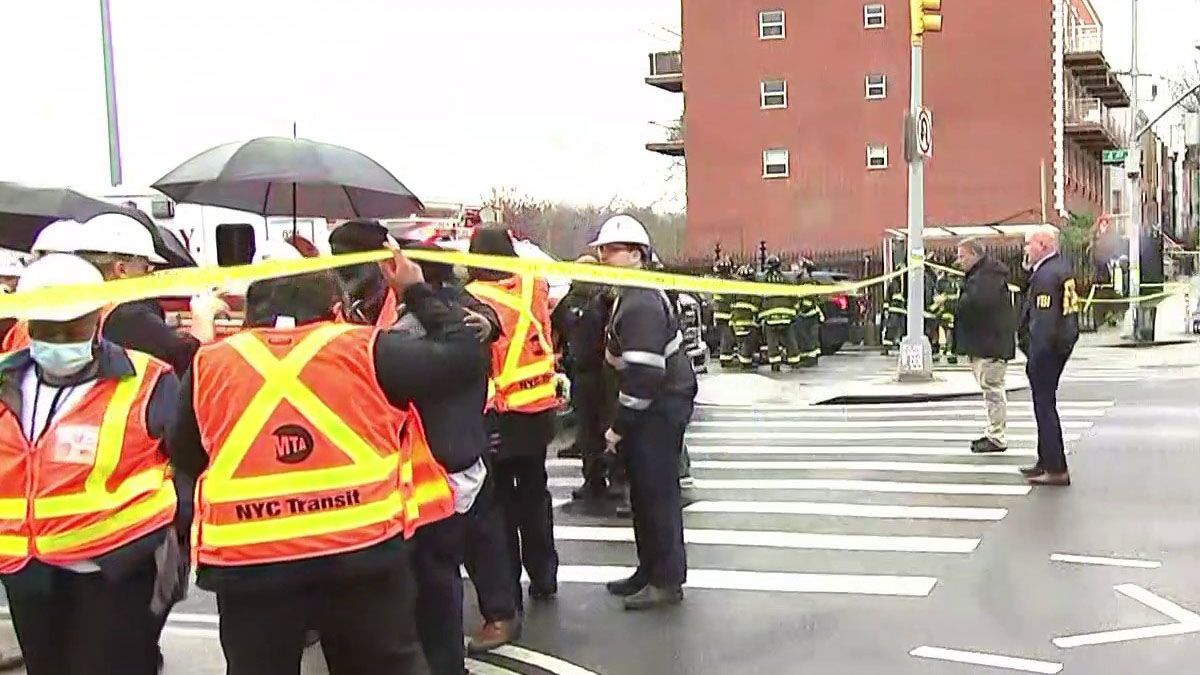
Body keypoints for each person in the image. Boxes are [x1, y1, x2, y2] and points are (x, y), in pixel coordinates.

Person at [168, 248, 481, 675]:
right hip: (361, 558)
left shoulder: (210, 364)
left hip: (251, 567)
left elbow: (183, 451)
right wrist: (415, 290)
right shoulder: (367, 350)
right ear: (336, 309)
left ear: (249, 312)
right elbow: (463, 356)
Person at [328, 219, 515, 671]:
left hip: (442, 458)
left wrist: (429, 300)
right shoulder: (355, 307)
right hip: (388, 466)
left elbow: (475, 331)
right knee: (411, 578)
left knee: (442, 570)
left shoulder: (427, 297)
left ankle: (473, 637)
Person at [0, 254, 181, 675]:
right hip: (29, 569)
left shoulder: (148, 379)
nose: (61, 340)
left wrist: (173, 550)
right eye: (48, 330)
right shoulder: (7, 380)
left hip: (118, 568)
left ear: (98, 318)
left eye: (73, 329)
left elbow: (187, 463)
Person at [590, 215, 697, 611]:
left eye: (611, 250)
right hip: (654, 406)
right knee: (645, 494)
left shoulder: (640, 301)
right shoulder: (629, 295)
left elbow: (645, 376)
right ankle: (648, 569)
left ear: (636, 254)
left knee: (657, 496)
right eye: (602, 250)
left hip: (659, 408)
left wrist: (617, 429)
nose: (603, 257)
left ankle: (666, 581)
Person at [464, 227, 560, 616]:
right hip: (539, 407)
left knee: (499, 504)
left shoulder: (473, 299)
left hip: (501, 414)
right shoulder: (533, 284)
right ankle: (544, 576)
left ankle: (509, 590)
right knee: (535, 496)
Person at [551, 256, 619, 501]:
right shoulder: (569, 302)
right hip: (580, 373)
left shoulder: (604, 300)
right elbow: (555, 328)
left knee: (609, 427)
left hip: (604, 372)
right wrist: (559, 355)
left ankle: (618, 480)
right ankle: (593, 480)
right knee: (588, 431)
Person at [1017, 226, 1080, 486]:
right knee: (1044, 405)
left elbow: (1044, 322)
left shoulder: (1046, 276)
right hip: (1059, 345)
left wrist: (1035, 352)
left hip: (1048, 350)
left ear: (1042, 244)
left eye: (1029, 244)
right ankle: (1045, 460)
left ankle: (1055, 467)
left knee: (1044, 407)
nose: (1025, 249)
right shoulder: (1058, 269)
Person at [953, 237, 1017, 454]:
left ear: (974, 254)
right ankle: (994, 432)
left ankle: (997, 436)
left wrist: (955, 303)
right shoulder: (984, 275)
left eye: (962, 256)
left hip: (991, 344)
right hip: (987, 343)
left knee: (992, 389)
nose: (958, 261)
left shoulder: (986, 278)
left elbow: (977, 305)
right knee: (990, 389)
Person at [757, 255, 799, 372]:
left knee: (773, 343)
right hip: (786, 317)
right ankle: (794, 362)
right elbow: (794, 297)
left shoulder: (763, 281)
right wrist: (794, 311)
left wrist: (759, 315)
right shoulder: (787, 280)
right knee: (790, 341)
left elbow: (759, 299)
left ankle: (775, 364)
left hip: (771, 319)